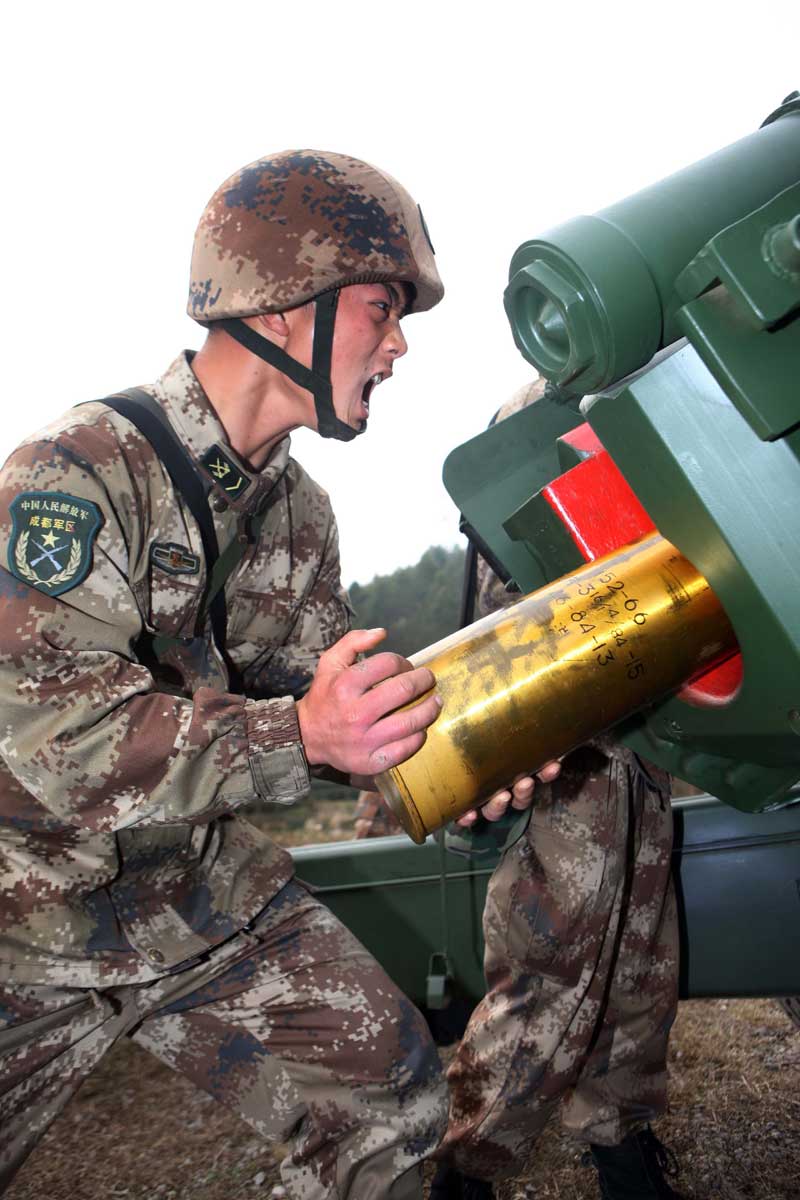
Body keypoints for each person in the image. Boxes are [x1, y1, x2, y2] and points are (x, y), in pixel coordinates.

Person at [0, 150, 460, 1199]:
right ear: (287, 307)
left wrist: (459, 747)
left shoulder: (300, 518)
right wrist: (298, 735)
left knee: (389, 1096)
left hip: (191, 890)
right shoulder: (75, 472)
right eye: (383, 309)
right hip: (21, 920)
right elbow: (63, 746)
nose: (397, 347)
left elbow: (334, 703)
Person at [423, 379, 685, 1200]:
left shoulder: (655, 381)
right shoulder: (544, 407)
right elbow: (523, 588)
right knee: (549, 967)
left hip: (641, 730)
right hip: (571, 731)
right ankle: (464, 1174)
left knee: (642, 961)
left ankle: (621, 1150)